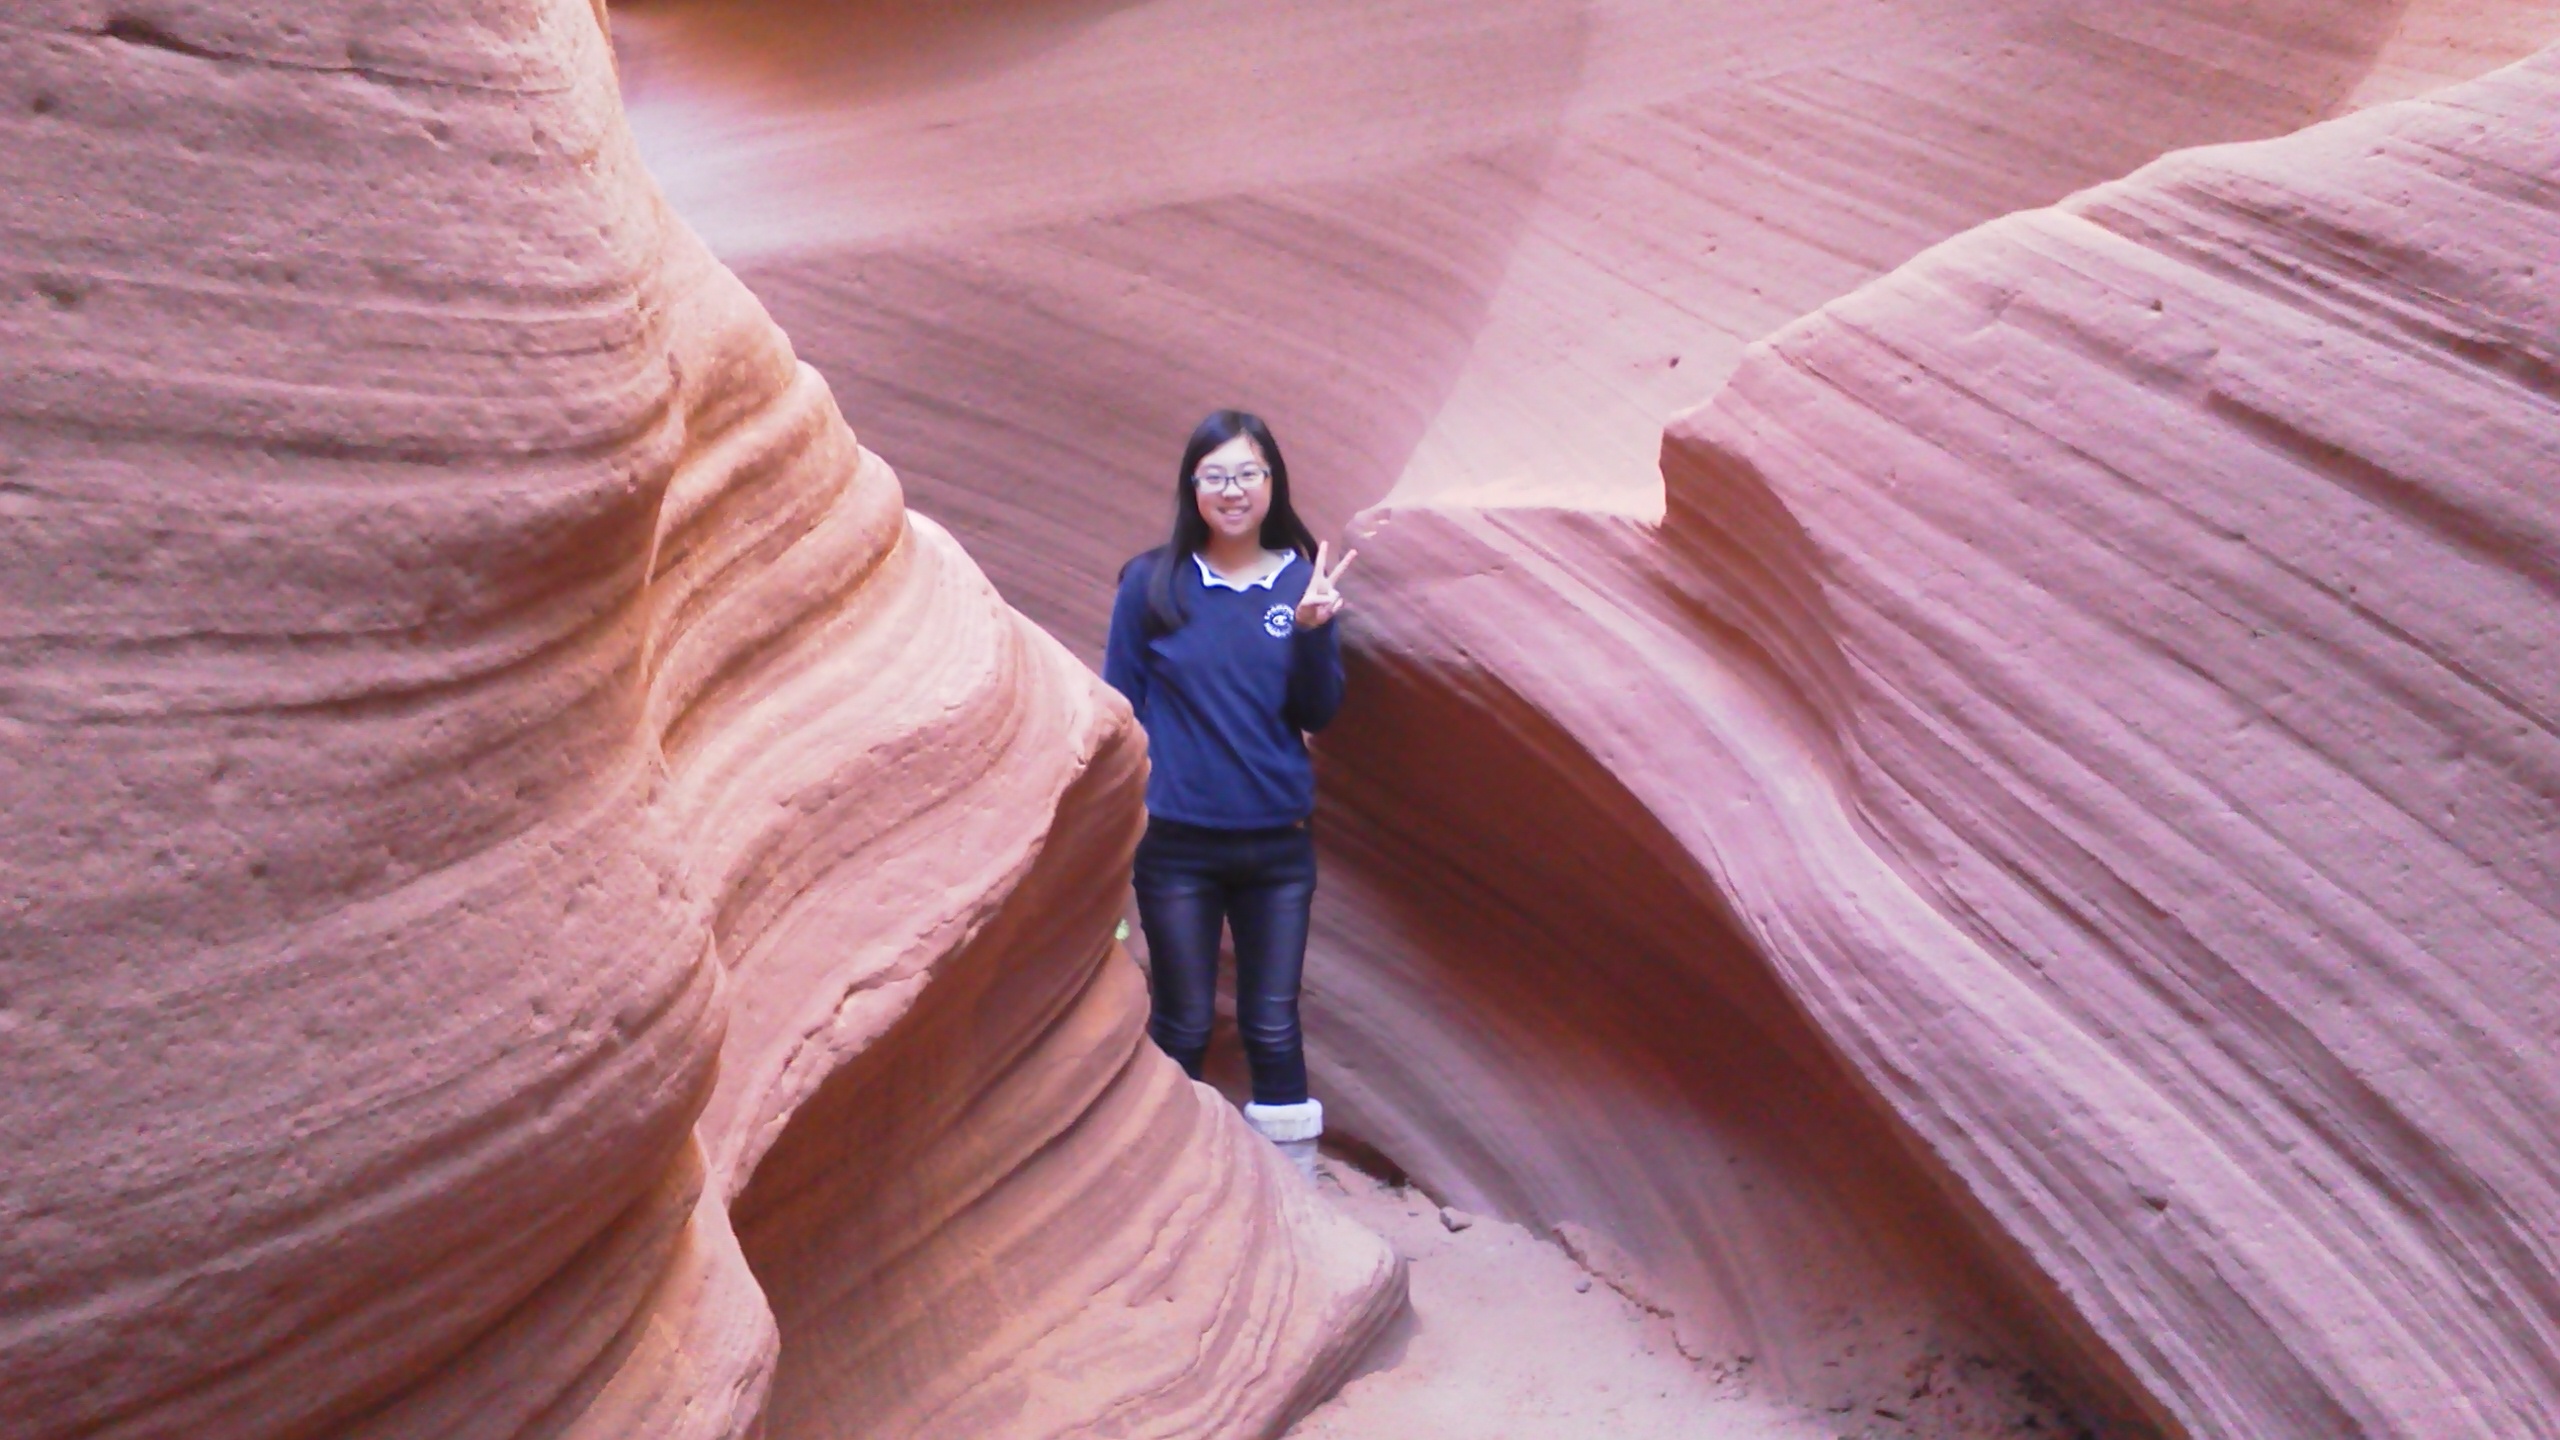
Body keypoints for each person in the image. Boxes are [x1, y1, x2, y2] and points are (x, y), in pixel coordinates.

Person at [1102, 409, 1356, 1179]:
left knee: (1272, 1026)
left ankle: (1293, 1201)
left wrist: (1311, 630)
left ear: (1272, 483)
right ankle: (1167, 1187)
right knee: (1183, 1022)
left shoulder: (1301, 580)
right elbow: (1120, 707)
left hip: (1278, 848)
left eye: (1248, 473)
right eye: (1215, 475)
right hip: (1176, 847)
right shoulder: (1152, 584)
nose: (1232, 489)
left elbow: (1317, 712)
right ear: (1193, 487)